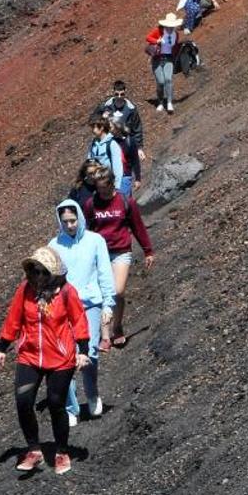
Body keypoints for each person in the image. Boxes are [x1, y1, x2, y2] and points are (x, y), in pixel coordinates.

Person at [0, 247, 87, 475]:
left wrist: (83, 350)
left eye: (41, 271)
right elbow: (13, 319)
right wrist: (2, 348)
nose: (36, 276)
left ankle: (62, 451)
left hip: (60, 357)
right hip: (30, 354)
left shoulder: (66, 292)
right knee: (23, 400)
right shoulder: (25, 290)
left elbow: (78, 320)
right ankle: (34, 449)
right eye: (33, 271)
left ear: (52, 272)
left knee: (56, 403)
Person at [50, 197, 115, 425]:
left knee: (91, 354)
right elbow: (50, 281)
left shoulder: (95, 240)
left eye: (73, 220)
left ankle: (93, 393)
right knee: (66, 357)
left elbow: (105, 272)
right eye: (65, 221)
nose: (70, 225)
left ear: (80, 217)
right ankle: (70, 407)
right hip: (64, 308)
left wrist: (109, 303)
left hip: (90, 304)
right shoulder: (53, 246)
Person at [80, 161, 154, 349]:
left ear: (112, 184)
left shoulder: (125, 202)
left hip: (121, 251)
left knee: (117, 291)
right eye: (99, 189)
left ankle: (117, 325)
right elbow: (85, 231)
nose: (102, 193)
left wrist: (148, 251)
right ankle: (105, 336)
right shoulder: (91, 204)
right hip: (100, 254)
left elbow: (138, 227)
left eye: (105, 188)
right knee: (103, 293)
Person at [95, 81, 146, 188]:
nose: (119, 97)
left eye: (122, 94)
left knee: (125, 166)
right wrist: (101, 118)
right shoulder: (105, 106)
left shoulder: (131, 109)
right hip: (108, 141)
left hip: (124, 141)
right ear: (113, 93)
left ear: (125, 93)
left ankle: (124, 190)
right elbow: (93, 120)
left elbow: (137, 128)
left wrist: (139, 147)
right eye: (116, 94)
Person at [145, 12, 184, 113]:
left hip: (168, 59)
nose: (171, 28)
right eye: (169, 26)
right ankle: (161, 101)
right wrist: (157, 41)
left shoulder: (176, 34)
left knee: (168, 79)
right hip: (158, 59)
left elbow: (174, 47)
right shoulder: (159, 31)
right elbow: (148, 38)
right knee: (161, 82)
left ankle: (169, 102)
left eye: (173, 26)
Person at [86, 113, 129, 195]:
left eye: (93, 127)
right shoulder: (93, 144)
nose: (92, 130)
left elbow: (118, 168)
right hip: (98, 186)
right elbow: (89, 162)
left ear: (101, 127)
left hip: (110, 186)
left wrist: (116, 188)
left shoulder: (112, 144)